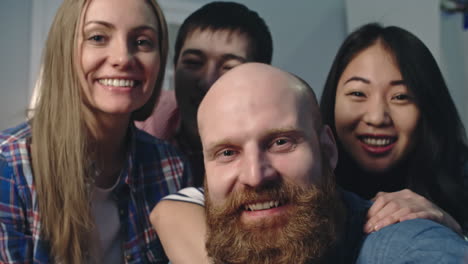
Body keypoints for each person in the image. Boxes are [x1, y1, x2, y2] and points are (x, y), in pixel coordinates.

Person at [199, 62, 468, 263]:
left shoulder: (409, 247)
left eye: (280, 142)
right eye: (226, 153)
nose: (255, 175)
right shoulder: (201, 232)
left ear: (327, 149)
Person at [0, 0, 191, 263]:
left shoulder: (172, 167)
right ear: (63, 51)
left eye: (143, 41)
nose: (123, 58)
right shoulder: (8, 167)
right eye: (98, 37)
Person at [320, 23, 468, 234]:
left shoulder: (461, 175)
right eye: (358, 94)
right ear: (333, 100)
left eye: (400, 97)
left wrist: (452, 229)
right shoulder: (305, 184)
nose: (377, 118)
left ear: (428, 107)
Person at [136, 1, 273, 186]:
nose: (207, 82)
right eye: (193, 62)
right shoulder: (140, 123)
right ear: (175, 67)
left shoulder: (274, 158)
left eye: (229, 68)